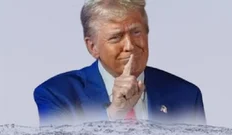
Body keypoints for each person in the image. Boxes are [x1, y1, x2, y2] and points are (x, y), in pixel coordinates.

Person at [33, 0, 206, 126]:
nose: (130, 46)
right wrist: (114, 113)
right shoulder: (56, 94)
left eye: (136, 32)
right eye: (116, 37)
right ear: (92, 47)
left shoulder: (188, 96)